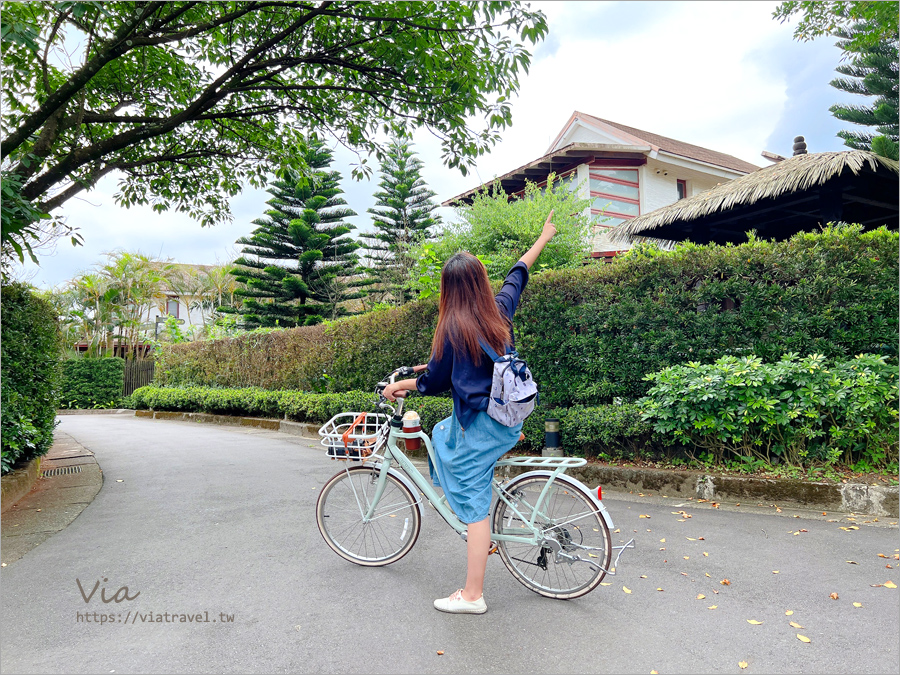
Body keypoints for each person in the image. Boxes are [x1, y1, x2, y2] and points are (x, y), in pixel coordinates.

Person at [383, 211, 557, 614]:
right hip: (506, 418)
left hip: (481, 425)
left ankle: (473, 593)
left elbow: (433, 384)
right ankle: (476, 519)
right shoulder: (497, 312)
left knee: (473, 504)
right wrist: (544, 234)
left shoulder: (451, 328)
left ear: (448, 290)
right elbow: (519, 272)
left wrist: (398, 386)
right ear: (481, 284)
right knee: (441, 436)